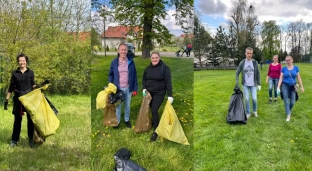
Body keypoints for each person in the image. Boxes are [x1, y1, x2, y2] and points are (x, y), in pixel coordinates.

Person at [4, 54, 37, 147]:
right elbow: (11, 87)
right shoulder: (15, 73)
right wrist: (7, 100)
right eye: (20, 61)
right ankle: (14, 140)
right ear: (18, 62)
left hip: (29, 100)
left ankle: (31, 139)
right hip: (18, 100)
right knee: (17, 120)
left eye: (23, 60)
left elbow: (33, 85)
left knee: (30, 120)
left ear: (26, 61)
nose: (22, 62)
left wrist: (39, 87)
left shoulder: (31, 72)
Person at [142, 51, 173, 141]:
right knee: (151, 109)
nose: (154, 59)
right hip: (149, 93)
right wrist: (144, 88)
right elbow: (144, 79)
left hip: (159, 93)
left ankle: (156, 131)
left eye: (156, 57)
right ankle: (153, 122)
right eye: (153, 58)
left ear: (159, 58)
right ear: (150, 59)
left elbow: (168, 82)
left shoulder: (165, 68)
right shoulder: (147, 69)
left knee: (154, 110)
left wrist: (170, 95)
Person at [108, 43, 138, 128]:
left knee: (127, 105)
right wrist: (110, 85)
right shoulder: (114, 62)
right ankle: (117, 121)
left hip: (128, 88)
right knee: (118, 106)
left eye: (125, 50)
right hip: (118, 88)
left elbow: (134, 76)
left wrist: (135, 89)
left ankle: (126, 120)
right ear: (118, 51)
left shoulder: (131, 61)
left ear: (127, 51)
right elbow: (110, 75)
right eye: (122, 50)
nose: (123, 51)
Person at [235, 47, 261, 119]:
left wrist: (259, 84)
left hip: (253, 85)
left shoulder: (255, 62)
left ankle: (255, 111)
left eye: (251, 53)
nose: (249, 55)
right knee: (246, 99)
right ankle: (248, 112)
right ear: (245, 53)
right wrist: (237, 82)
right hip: (245, 85)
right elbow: (237, 73)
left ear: (252, 54)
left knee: (254, 99)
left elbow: (258, 73)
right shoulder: (242, 63)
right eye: (248, 53)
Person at [277, 55, 304, 121]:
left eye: (289, 60)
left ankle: (288, 110)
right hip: (285, 86)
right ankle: (288, 115)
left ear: (292, 60)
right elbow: (280, 79)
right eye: (287, 60)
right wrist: (278, 87)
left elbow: (299, 78)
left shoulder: (296, 68)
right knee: (286, 101)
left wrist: (302, 87)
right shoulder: (283, 69)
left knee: (292, 102)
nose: (288, 61)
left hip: (293, 86)